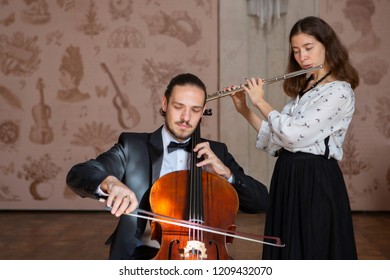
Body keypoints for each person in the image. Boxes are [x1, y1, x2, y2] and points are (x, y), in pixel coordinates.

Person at [66, 73, 270, 260]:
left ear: (202, 113)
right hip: (144, 256)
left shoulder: (217, 152)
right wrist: (109, 182)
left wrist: (227, 174)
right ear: (164, 104)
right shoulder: (133, 147)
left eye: (195, 110)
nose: (186, 117)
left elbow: (261, 201)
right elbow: (80, 173)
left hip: (205, 256)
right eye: (178, 107)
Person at [230, 16, 359, 259]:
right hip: (289, 174)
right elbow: (278, 139)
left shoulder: (340, 92)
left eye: (308, 48)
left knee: (313, 248)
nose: (302, 57)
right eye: (296, 51)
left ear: (327, 45)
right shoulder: (306, 89)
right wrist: (245, 109)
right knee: (287, 250)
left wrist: (259, 101)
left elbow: (293, 134)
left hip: (316, 179)